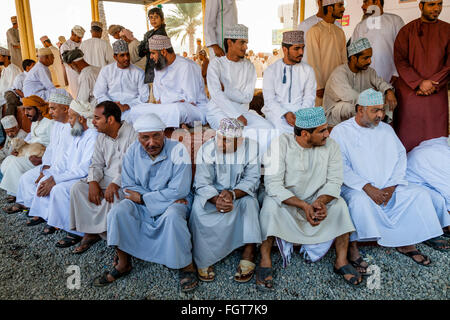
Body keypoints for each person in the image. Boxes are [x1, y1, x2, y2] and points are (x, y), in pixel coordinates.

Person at [330, 88, 445, 270]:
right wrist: (367, 188)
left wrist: (391, 187)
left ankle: (406, 241)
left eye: (382, 110)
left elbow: (400, 158)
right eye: (375, 110)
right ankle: (354, 249)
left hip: (387, 187)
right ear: (360, 110)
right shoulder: (340, 132)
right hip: (357, 188)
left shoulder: (386, 130)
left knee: (419, 194)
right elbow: (340, 165)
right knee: (358, 203)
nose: (380, 115)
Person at [92, 113, 198, 293]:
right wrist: (151, 198)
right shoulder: (133, 150)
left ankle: (186, 264)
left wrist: (143, 198)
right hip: (157, 199)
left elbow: (179, 190)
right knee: (118, 212)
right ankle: (124, 263)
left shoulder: (178, 150)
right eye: (145, 137)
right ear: (138, 137)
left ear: (164, 134)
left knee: (172, 216)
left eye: (156, 136)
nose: (151, 142)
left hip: (172, 202)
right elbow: (128, 185)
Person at [257, 107, 358, 290]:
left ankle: (341, 261)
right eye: (322, 131)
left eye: (327, 129)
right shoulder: (280, 144)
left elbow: (335, 181)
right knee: (270, 205)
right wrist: (303, 205)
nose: (328, 134)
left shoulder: (332, 146)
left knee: (341, 205)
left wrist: (320, 202)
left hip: (318, 202)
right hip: (289, 202)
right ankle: (265, 260)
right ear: (305, 134)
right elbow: (273, 185)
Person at [189, 118, 262, 283]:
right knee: (198, 210)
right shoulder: (207, 149)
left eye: (228, 141)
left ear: (239, 140)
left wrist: (233, 194)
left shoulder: (252, 147)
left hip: (238, 195)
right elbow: (202, 183)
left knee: (251, 203)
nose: (222, 144)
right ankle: (204, 256)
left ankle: (249, 252)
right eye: (220, 139)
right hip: (213, 195)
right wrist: (216, 199)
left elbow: (252, 179)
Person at [27, 99, 98, 248]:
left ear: (81, 118)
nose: (69, 122)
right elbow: (65, 160)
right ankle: (52, 219)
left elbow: (84, 168)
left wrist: (57, 179)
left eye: (72, 117)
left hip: (86, 178)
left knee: (60, 188)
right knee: (45, 180)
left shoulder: (92, 136)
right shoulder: (77, 133)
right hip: (70, 174)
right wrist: (50, 173)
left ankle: (76, 231)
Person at [70, 101, 137, 254]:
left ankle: (116, 241)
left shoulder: (132, 134)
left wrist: (116, 183)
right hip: (105, 178)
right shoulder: (101, 136)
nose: (92, 122)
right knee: (78, 188)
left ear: (111, 120)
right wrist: (93, 181)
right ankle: (91, 232)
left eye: (97, 118)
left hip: (126, 181)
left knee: (114, 195)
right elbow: (96, 163)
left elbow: (132, 166)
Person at [206, 24, 274, 155]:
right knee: (239, 133)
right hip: (218, 112)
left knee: (269, 128)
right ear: (230, 43)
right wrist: (235, 115)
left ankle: (260, 167)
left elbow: (248, 97)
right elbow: (216, 95)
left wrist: (226, 90)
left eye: (246, 43)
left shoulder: (249, 66)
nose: (246, 47)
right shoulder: (216, 64)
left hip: (244, 112)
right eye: (242, 42)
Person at [393, 0, 449, 152]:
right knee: (409, 135)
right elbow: (400, 60)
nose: (436, 8)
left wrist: (432, 83)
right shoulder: (407, 31)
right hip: (411, 93)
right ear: (421, 6)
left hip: (436, 93)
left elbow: (449, 64)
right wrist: (419, 83)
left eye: (439, 4)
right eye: (431, 4)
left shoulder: (447, 30)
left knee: (436, 138)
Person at [12, 92, 73, 218]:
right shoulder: (56, 125)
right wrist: (44, 167)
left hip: (64, 169)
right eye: (50, 108)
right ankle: (35, 209)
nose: (49, 112)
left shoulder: (73, 128)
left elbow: (69, 156)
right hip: (50, 166)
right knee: (27, 178)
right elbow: (50, 149)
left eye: (52, 108)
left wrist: (51, 172)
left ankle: (50, 216)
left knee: (43, 183)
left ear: (65, 109)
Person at [129, 35, 208, 128]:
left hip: (194, 109)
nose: (151, 57)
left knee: (177, 110)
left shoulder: (186, 66)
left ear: (163, 51)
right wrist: (172, 99)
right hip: (167, 107)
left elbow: (190, 99)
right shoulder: (158, 68)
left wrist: (166, 99)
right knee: (137, 109)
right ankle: (175, 124)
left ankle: (173, 125)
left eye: (153, 53)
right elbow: (158, 98)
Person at [323, 37, 397, 126]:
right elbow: (351, 96)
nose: (369, 61)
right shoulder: (339, 73)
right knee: (350, 107)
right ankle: (372, 121)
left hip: (363, 106)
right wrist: (374, 106)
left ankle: (382, 122)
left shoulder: (369, 71)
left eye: (370, 57)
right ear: (354, 58)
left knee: (387, 96)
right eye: (365, 58)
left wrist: (388, 91)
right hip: (336, 113)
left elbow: (380, 83)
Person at [262, 31, 316, 134]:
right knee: (279, 132)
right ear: (285, 49)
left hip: (302, 112)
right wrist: (285, 113)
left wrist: (300, 115)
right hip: (277, 113)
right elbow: (269, 100)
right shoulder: (271, 70)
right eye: (296, 48)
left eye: (302, 48)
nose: (301, 52)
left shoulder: (308, 70)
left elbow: (309, 97)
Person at [0, 95, 53, 199]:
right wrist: (18, 150)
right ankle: (16, 193)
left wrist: (43, 159)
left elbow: (55, 146)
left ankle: (21, 198)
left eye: (29, 109)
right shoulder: (34, 123)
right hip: (30, 153)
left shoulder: (49, 123)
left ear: (38, 109)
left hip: (41, 158)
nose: (25, 113)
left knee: (15, 163)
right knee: (9, 159)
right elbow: (30, 140)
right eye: (24, 109)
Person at [406, 136, 450, 248]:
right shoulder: (443, 158)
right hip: (409, 182)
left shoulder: (444, 141)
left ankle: (443, 226)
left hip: (427, 179)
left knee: (439, 199)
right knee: (435, 199)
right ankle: (429, 233)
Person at [93, 40, 149, 123]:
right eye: (122, 55)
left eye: (127, 54)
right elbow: (99, 93)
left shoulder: (139, 72)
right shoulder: (106, 71)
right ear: (115, 57)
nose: (126, 58)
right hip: (110, 108)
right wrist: (112, 105)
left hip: (132, 108)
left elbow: (144, 96)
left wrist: (127, 106)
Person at [351, 0, 405, 84]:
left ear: (377, 2)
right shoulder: (360, 26)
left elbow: (403, 49)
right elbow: (353, 55)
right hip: (366, 80)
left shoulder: (395, 20)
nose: (362, 6)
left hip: (392, 78)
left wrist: (397, 73)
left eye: (366, 2)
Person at [306, 0, 346, 106]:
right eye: (340, 6)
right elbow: (313, 59)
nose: (343, 9)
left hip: (337, 86)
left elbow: (344, 60)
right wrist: (318, 85)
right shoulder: (315, 30)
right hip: (322, 88)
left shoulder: (340, 32)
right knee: (321, 118)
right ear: (329, 8)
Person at [138, 7, 167, 85]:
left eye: (156, 17)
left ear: (162, 19)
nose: (153, 20)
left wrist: (145, 45)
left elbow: (146, 47)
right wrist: (145, 46)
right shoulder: (149, 33)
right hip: (150, 67)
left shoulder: (161, 33)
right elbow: (140, 52)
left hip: (159, 66)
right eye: (151, 18)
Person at [60, 25, 85, 98]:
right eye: (79, 37)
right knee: (76, 92)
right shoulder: (65, 46)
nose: (80, 40)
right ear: (73, 34)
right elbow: (67, 62)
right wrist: (77, 68)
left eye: (81, 38)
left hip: (84, 71)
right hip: (73, 73)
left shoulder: (82, 44)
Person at [0, 48, 22, 115]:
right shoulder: (4, 70)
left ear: (6, 57)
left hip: (11, 96)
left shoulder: (13, 69)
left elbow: (12, 89)